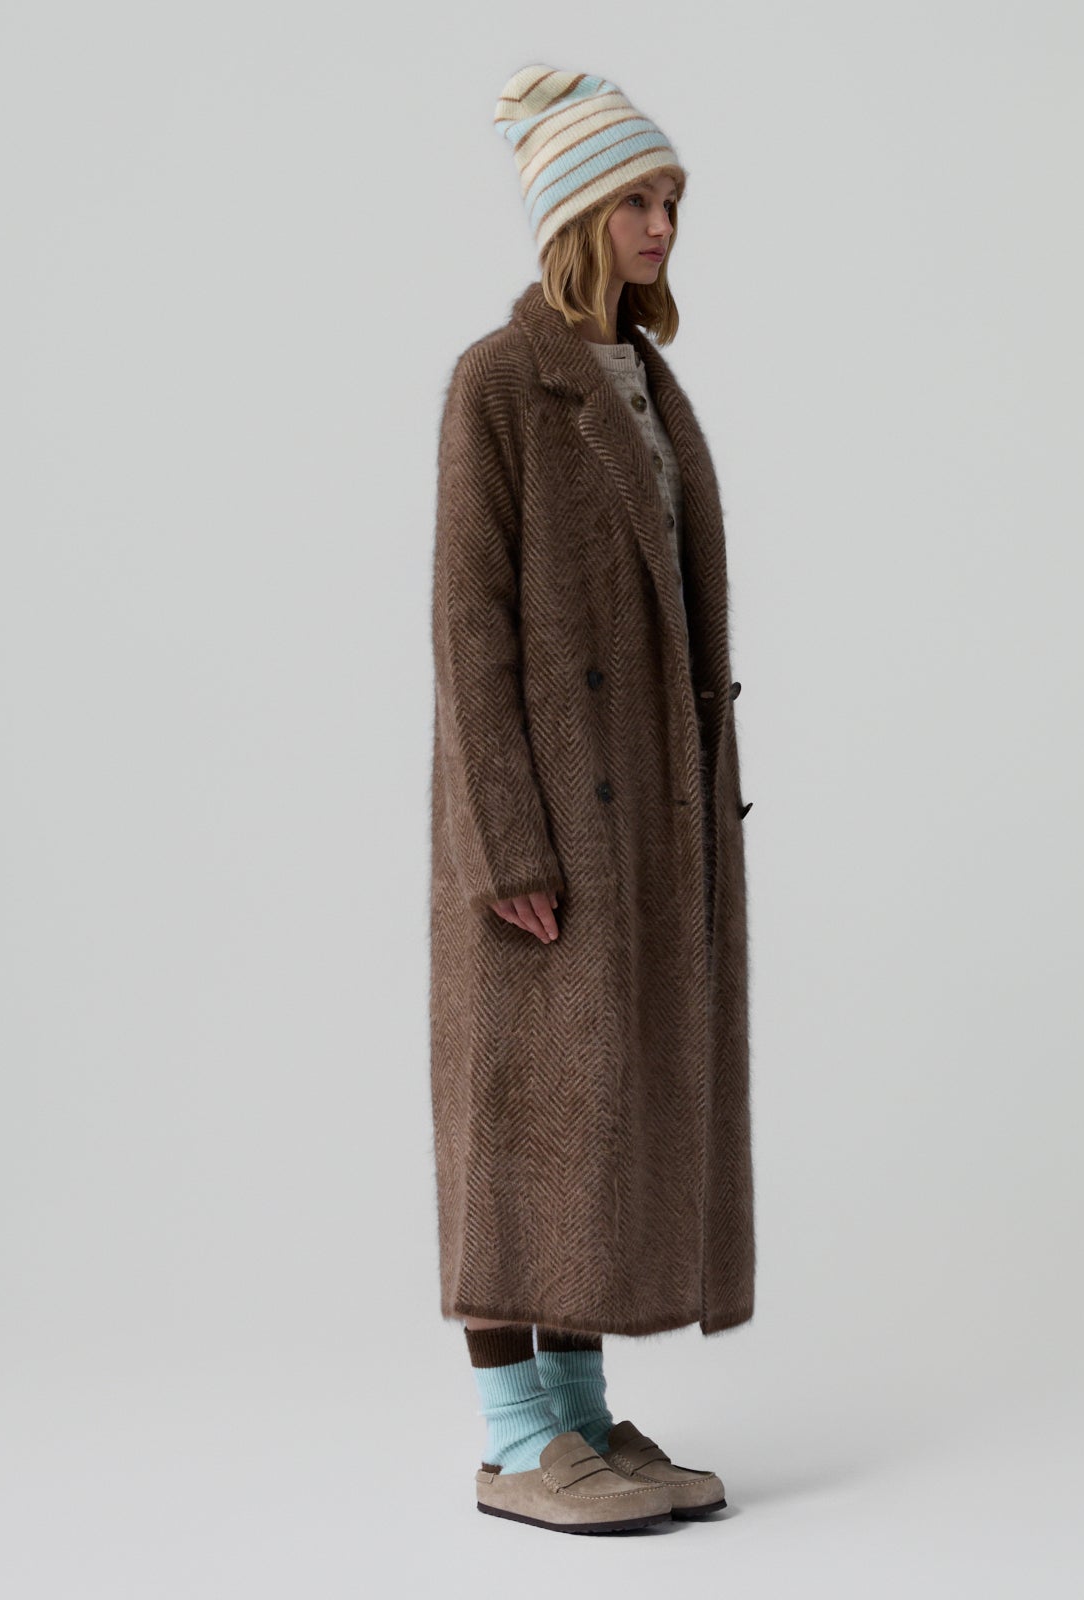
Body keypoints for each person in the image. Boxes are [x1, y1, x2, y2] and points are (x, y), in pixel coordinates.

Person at [429, 63, 755, 1534]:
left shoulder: (650, 382)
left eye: (672, 198)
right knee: (523, 1120)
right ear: (573, 212)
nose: (662, 224)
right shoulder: (500, 380)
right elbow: (470, 625)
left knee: (600, 1121)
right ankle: (516, 1443)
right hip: (546, 825)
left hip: (650, 831)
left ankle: (580, 1417)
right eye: (636, 199)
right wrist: (507, 839)